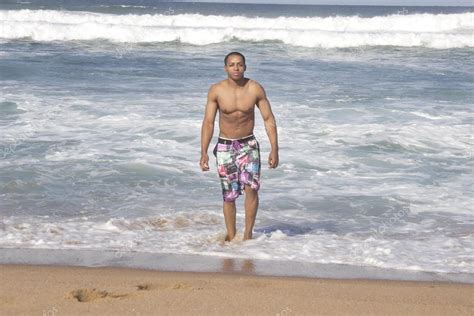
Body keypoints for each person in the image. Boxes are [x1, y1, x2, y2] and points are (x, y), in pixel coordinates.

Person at [200, 51, 279, 241]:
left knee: (252, 188)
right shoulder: (216, 90)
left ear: (245, 66)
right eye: (232, 64)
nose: (236, 68)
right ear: (225, 67)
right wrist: (203, 152)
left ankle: (248, 235)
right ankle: (231, 235)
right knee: (229, 194)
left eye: (240, 64)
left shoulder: (255, 89)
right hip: (225, 147)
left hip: (248, 145)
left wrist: (275, 148)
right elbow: (208, 122)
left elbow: (268, 119)